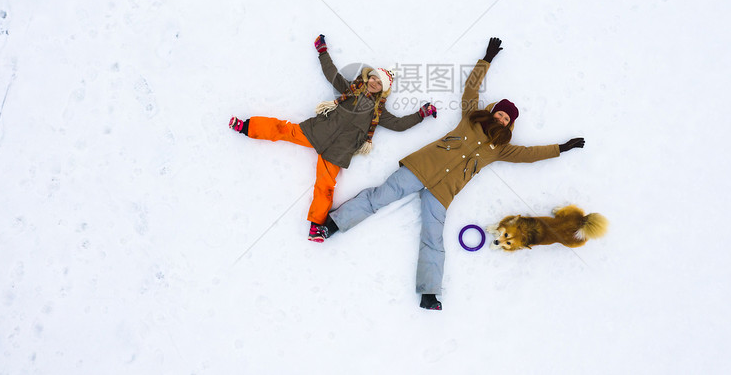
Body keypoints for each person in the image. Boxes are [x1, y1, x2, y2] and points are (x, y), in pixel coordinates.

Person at [312, 37, 585, 310]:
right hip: (421, 168)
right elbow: (471, 88)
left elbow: (531, 155)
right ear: (492, 112)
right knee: (379, 198)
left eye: (506, 120)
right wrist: (487, 59)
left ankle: (429, 293)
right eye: (500, 114)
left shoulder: (502, 149)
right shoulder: (471, 116)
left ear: (509, 125)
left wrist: (561, 148)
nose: (501, 119)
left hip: (443, 192)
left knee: (432, 236)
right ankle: (332, 225)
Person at [229, 34, 437, 241]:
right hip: (317, 131)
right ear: (368, 77)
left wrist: (421, 114)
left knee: (325, 187)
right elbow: (331, 74)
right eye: (373, 77)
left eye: (379, 83)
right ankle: (246, 126)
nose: (374, 82)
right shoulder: (351, 90)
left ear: (383, 90)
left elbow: (399, 125)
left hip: (338, 153)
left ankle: (316, 227)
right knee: (282, 129)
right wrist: (322, 52)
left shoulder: (378, 112)